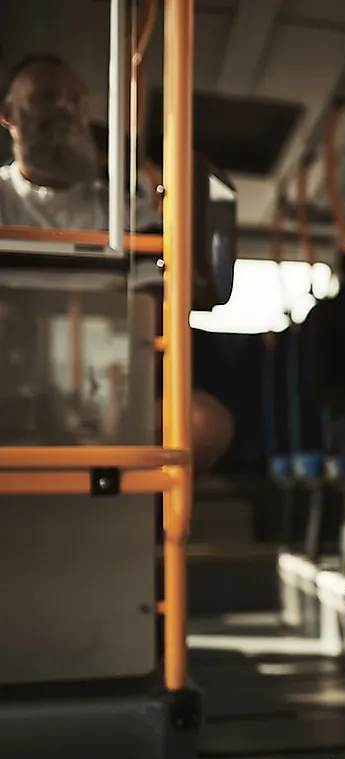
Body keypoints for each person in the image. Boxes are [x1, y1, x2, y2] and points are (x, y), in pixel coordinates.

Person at [0, 53, 233, 469]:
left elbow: (150, 323)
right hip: (9, 384)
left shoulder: (128, 215)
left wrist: (123, 398)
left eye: (76, 99)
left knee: (205, 423)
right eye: (46, 96)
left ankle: (146, 525)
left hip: (107, 390)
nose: (66, 107)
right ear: (8, 114)